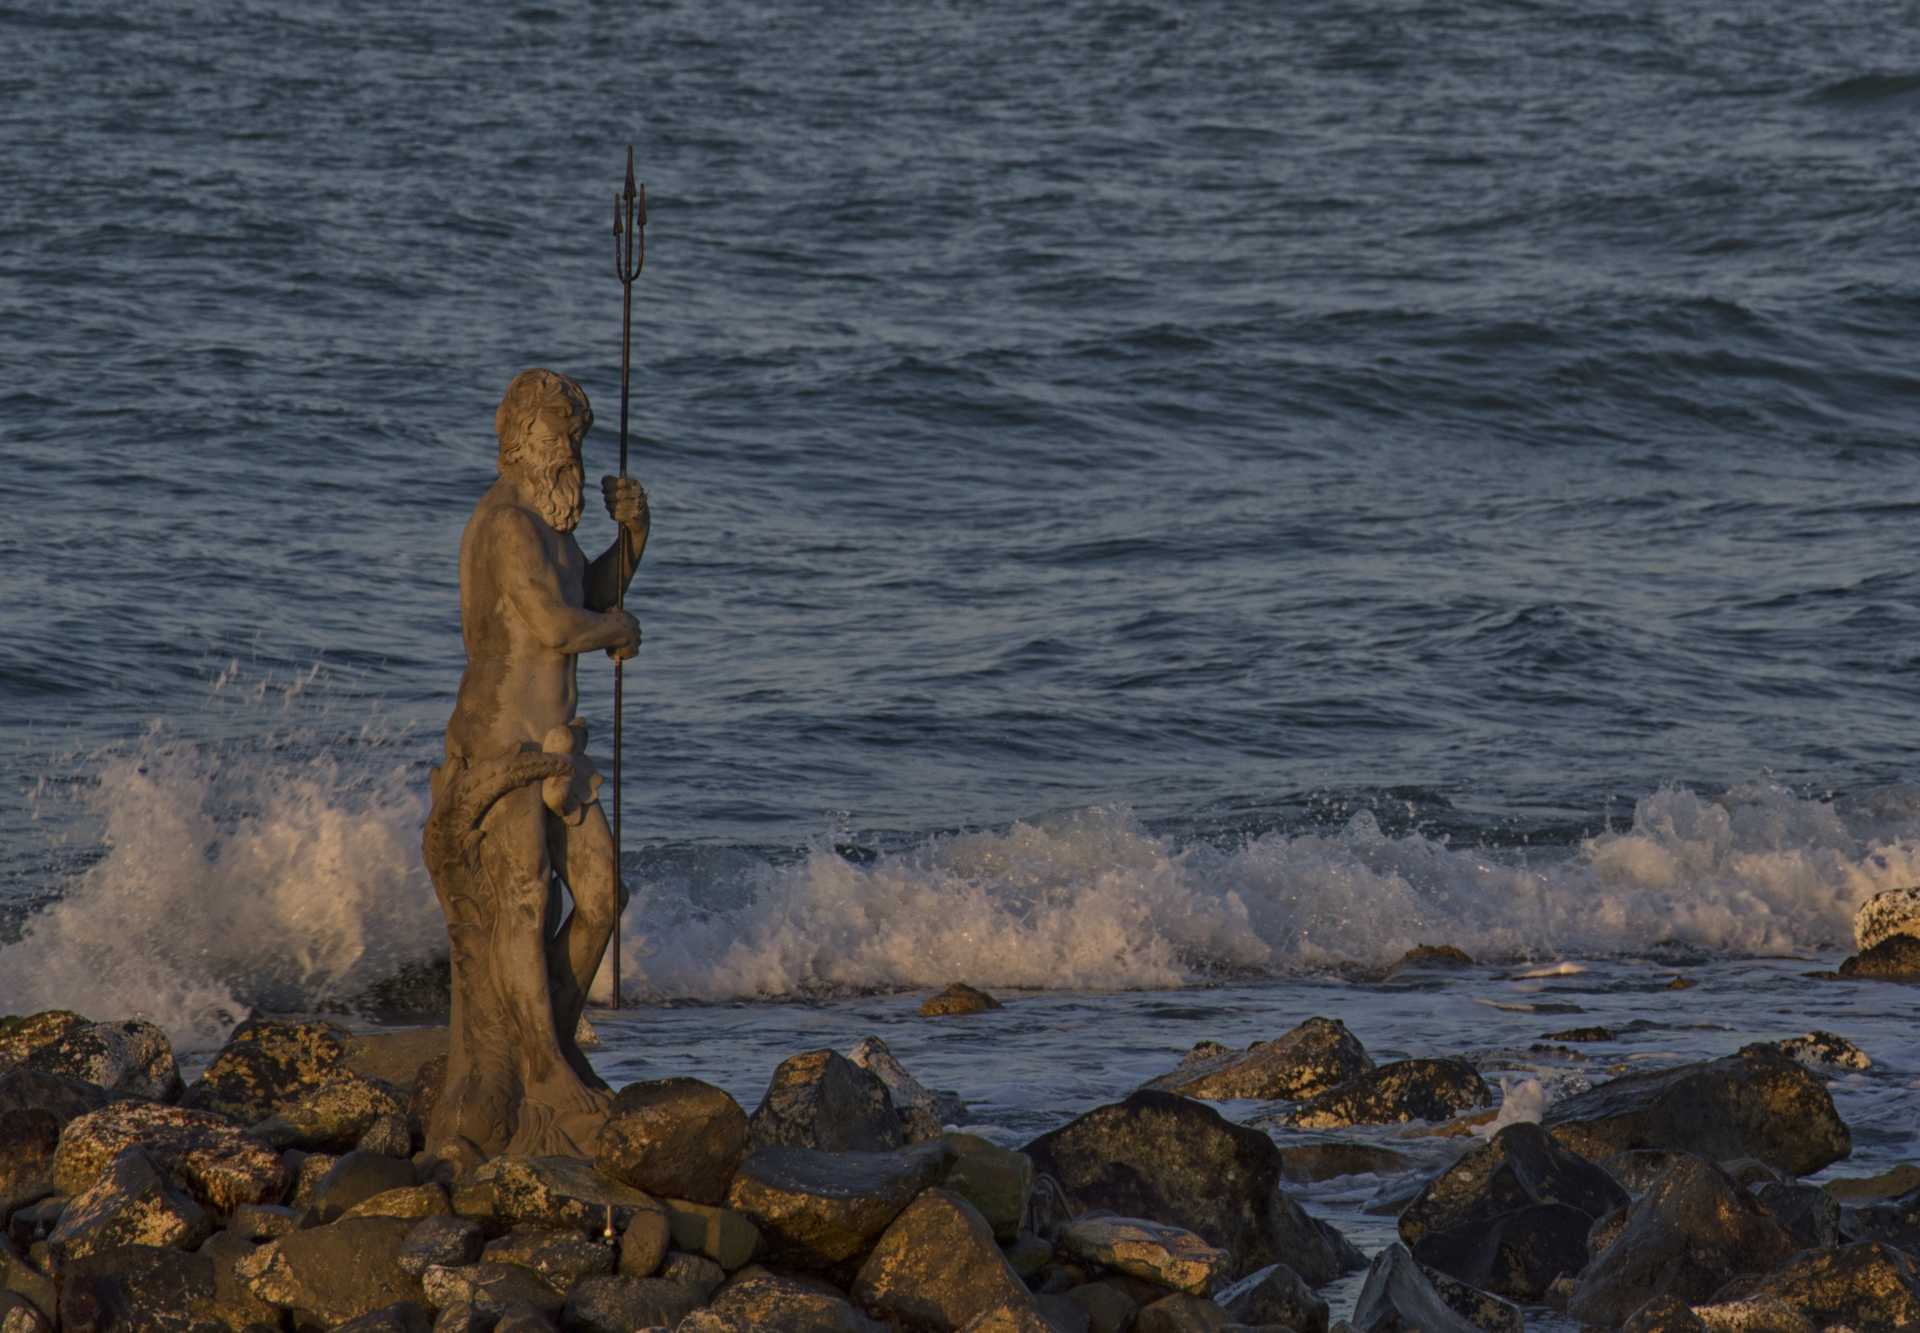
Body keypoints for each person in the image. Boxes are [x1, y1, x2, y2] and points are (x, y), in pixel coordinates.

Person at [426, 367, 648, 1159]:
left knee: (600, 893)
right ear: (520, 438)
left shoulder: (554, 525)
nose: (573, 458)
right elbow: (559, 625)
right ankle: (541, 1070)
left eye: (578, 442)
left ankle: (549, 1033)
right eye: (561, 440)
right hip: (503, 747)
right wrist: (614, 624)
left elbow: (587, 592)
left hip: (560, 748)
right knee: (520, 905)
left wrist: (632, 543)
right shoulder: (507, 526)